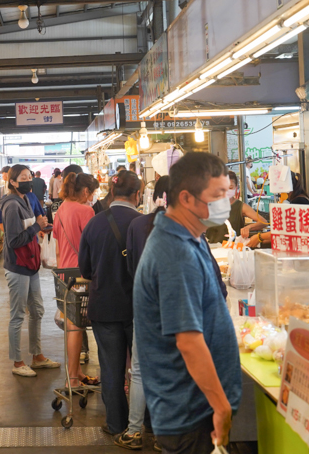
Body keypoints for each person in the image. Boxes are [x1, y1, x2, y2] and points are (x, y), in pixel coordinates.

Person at [133, 152, 241, 453]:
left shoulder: (189, 237)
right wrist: (221, 407)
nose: (226, 201)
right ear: (187, 198)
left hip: (194, 408)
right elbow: (188, 342)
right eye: (217, 194)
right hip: (191, 414)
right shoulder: (174, 253)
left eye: (227, 193)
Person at [78, 170, 144, 437]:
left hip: (104, 306)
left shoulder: (94, 223)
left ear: (112, 192)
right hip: (137, 307)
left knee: (111, 368)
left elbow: (85, 268)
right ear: (138, 195)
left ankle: (116, 424)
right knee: (141, 370)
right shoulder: (143, 223)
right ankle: (145, 424)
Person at [115, 177, 171, 449]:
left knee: (138, 370)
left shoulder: (137, 224)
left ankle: (134, 431)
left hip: (146, 305)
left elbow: (131, 266)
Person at [0, 164, 59, 377]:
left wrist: (38, 228)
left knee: (37, 311)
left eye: (29, 176)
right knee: (17, 316)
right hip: (18, 267)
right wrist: (37, 226)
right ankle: (17, 363)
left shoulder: (24, 200)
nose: (28, 180)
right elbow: (14, 240)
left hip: (31, 265)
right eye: (22, 177)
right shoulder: (11, 205)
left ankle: (37, 355)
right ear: (13, 182)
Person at [52, 172, 100, 388]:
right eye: (93, 192)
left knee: (72, 326)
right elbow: (92, 246)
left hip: (64, 274)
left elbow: (58, 246)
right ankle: (72, 379)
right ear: (86, 191)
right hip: (81, 275)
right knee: (76, 328)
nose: (93, 197)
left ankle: (76, 372)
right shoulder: (86, 210)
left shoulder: (61, 209)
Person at [247, 171, 309, 249]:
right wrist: (258, 240)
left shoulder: (299, 201)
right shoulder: (295, 200)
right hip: (308, 244)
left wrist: (259, 237)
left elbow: (285, 230)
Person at [205, 171, 268, 244]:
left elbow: (264, 222)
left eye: (230, 187)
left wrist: (249, 227)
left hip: (232, 250)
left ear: (236, 187)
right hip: (211, 249)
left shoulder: (241, 207)